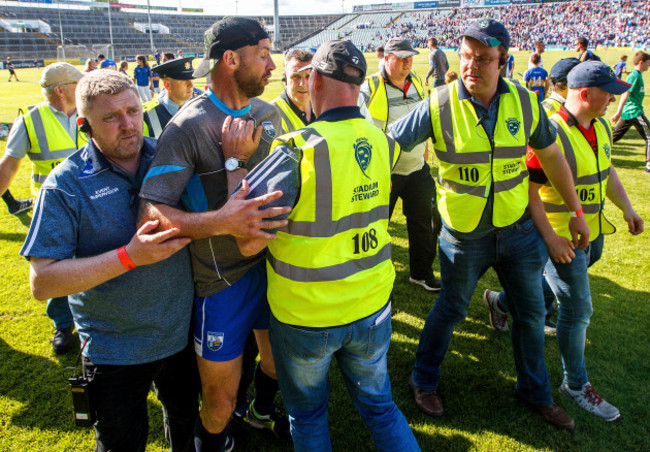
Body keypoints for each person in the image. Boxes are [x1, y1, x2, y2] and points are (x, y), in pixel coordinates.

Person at [389, 19, 590, 431]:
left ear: (503, 61)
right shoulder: (438, 103)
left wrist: (576, 211)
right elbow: (388, 142)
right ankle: (423, 380)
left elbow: (552, 157)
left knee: (531, 315)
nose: (471, 66)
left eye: (483, 59)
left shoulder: (525, 102)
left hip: (518, 231)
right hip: (463, 236)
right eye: (465, 56)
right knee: (450, 309)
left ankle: (536, 394)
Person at [235, 39, 420, 452]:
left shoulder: (295, 149)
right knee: (381, 408)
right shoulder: (380, 141)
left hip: (306, 314)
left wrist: (236, 162)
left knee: (309, 416)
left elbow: (245, 238)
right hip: (371, 305)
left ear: (314, 78)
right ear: (358, 86)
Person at [20, 69, 201, 451]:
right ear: (84, 125)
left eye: (133, 111)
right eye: (111, 117)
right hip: (114, 348)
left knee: (184, 426)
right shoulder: (65, 184)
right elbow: (43, 283)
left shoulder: (169, 154)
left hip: (181, 334)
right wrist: (128, 257)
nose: (128, 125)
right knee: (121, 443)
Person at [138, 18, 291, 451]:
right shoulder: (188, 126)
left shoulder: (268, 113)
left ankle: (259, 411)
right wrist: (218, 222)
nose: (271, 63)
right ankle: (214, 440)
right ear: (231, 58)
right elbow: (150, 211)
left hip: (274, 268)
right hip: (221, 283)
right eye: (263, 53)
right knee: (220, 402)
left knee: (279, 368)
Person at [484, 61, 643, 421]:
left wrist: (627, 208)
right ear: (586, 94)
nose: (614, 99)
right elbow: (529, 191)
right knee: (577, 309)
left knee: (548, 293)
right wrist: (552, 238)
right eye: (609, 93)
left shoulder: (601, 125)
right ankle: (575, 384)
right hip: (561, 241)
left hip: (591, 233)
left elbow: (607, 171)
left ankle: (500, 303)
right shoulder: (550, 132)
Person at [0, 62, 87, 354]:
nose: (83, 87)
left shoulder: (91, 111)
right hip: (52, 206)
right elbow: (9, 166)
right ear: (61, 90)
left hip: (93, 202)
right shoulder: (30, 119)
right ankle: (63, 327)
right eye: (78, 83)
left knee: (97, 260)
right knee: (56, 266)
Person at [361, 37, 441, 292]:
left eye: (410, 57)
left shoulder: (416, 81)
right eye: (402, 57)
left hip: (417, 168)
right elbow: (360, 130)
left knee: (425, 223)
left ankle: (421, 273)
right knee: (376, 226)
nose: (408, 61)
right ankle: (371, 277)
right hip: (385, 172)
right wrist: (378, 170)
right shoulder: (369, 87)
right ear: (386, 58)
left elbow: (423, 117)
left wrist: (425, 146)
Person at [611, 51, 650, 173]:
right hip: (634, 111)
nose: (649, 66)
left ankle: (593, 147)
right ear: (642, 62)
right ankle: (649, 166)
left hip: (631, 112)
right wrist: (618, 112)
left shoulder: (637, 75)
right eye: (648, 63)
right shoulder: (635, 76)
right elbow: (625, 93)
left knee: (613, 137)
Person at [142, 57, 196, 138]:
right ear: (167, 85)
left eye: (191, 80)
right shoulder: (148, 117)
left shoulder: (199, 109)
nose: (191, 85)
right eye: (184, 80)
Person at [272, 49, 314, 134]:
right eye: (296, 76)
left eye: (308, 76)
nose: (302, 84)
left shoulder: (324, 109)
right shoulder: (271, 115)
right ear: (285, 78)